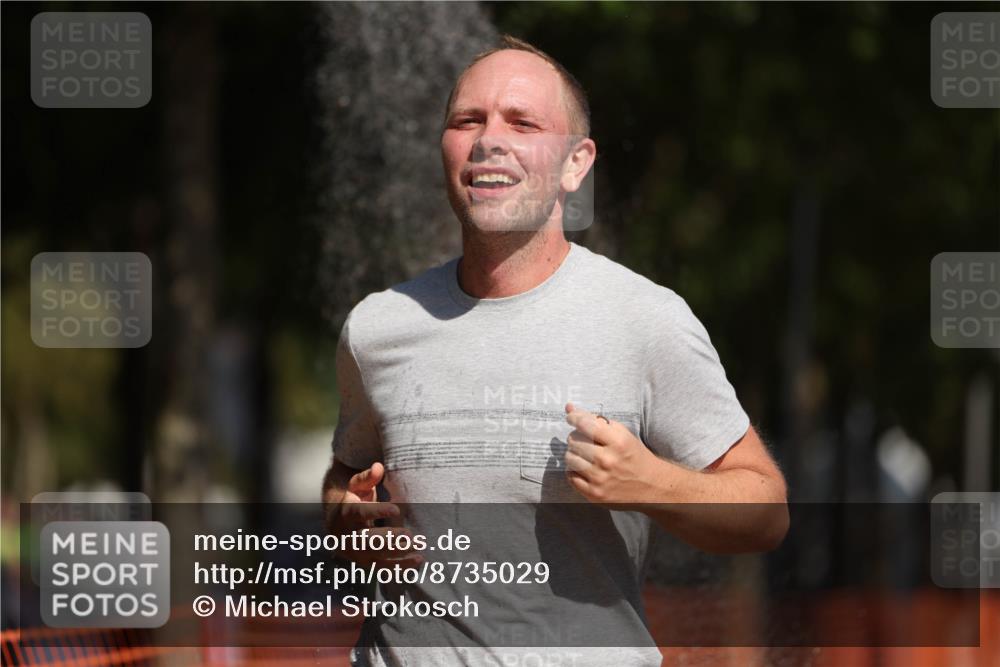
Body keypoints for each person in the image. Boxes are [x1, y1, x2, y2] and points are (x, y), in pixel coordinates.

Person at [322, 34, 789, 667]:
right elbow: (346, 473)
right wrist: (349, 522)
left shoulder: (643, 318)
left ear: (576, 163)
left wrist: (651, 483)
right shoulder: (377, 328)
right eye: (468, 120)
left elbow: (765, 511)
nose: (490, 138)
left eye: (523, 122)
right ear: (446, 152)